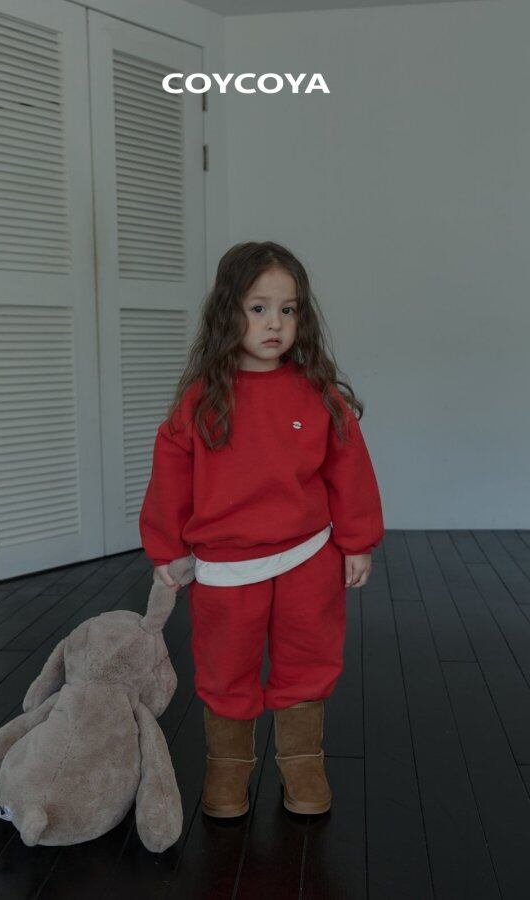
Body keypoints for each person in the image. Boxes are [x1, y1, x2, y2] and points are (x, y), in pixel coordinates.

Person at [139, 241, 384, 819]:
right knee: (226, 665)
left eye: (288, 309)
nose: (275, 323)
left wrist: (357, 541)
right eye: (258, 308)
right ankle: (227, 769)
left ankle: (303, 764)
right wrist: (167, 547)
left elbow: (349, 469)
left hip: (309, 555)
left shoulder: (318, 395)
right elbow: (171, 476)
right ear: (227, 312)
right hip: (226, 566)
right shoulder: (202, 400)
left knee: (309, 656)